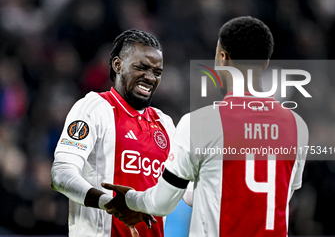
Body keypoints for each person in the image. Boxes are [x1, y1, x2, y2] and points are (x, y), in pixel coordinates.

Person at [102, 16, 309, 237]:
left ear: (222, 58)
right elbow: (280, 193)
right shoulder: (297, 126)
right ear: (265, 63)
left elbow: (162, 203)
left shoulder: (198, 123)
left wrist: (131, 200)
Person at [50, 28, 175, 237]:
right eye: (141, 68)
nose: (150, 78)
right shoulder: (94, 108)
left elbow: (182, 191)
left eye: (157, 72)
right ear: (118, 65)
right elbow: (61, 174)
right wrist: (109, 202)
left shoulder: (165, 123)